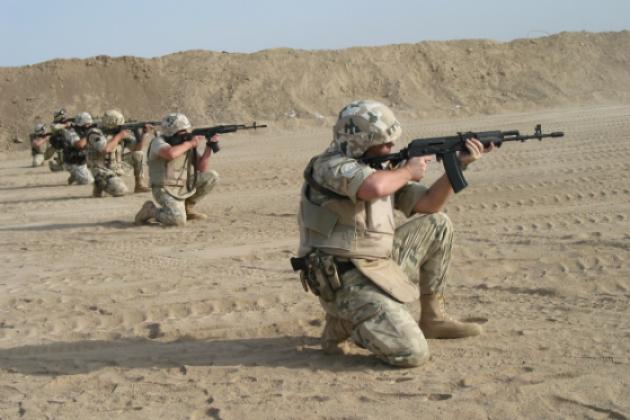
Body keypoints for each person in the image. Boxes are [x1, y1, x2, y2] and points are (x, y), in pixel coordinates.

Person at [296, 100, 494, 368]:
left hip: (377, 264)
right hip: (344, 280)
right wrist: (408, 171)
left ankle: (433, 318)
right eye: (384, 142)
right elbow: (373, 188)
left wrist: (458, 166)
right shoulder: (329, 166)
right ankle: (345, 323)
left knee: (438, 224)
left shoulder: (380, 169)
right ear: (360, 142)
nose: (390, 148)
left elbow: (428, 204)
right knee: (412, 353)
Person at [134, 112, 219, 226]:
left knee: (211, 176)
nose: (186, 134)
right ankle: (151, 210)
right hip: (163, 189)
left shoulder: (185, 144)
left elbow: (201, 167)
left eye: (186, 131)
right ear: (171, 132)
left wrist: (209, 146)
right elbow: (170, 154)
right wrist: (191, 143)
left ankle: (187, 208)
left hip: (182, 185)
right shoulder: (158, 142)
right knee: (177, 220)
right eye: (182, 132)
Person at [88, 109, 152, 197]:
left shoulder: (119, 133)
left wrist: (142, 134)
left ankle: (139, 185)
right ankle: (100, 183)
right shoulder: (95, 133)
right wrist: (119, 136)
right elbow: (105, 149)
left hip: (115, 165)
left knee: (138, 154)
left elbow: (137, 148)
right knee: (121, 190)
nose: (121, 127)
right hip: (101, 169)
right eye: (119, 125)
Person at [63, 112, 94, 185]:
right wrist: (90, 134)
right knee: (90, 182)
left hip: (82, 160)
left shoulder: (82, 131)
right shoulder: (72, 132)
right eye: (87, 124)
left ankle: (76, 175)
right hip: (74, 163)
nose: (89, 126)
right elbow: (79, 145)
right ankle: (76, 174)